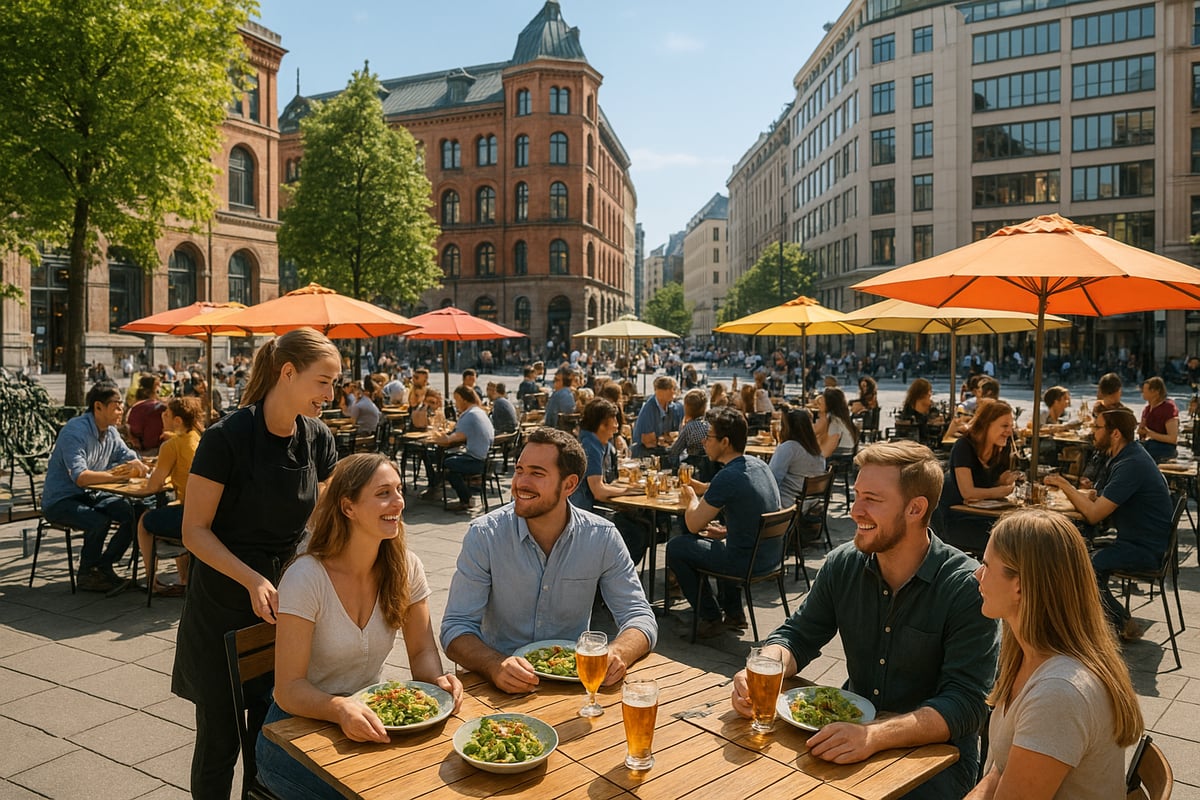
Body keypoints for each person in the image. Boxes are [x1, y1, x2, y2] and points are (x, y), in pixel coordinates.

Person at [730, 440, 998, 799]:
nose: (855, 511)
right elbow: (798, 635)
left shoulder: (965, 586)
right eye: (856, 495)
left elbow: (967, 704)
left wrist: (875, 735)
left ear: (915, 508)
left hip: (935, 762)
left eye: (872, 499)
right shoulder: (844, 564)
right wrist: (764, 669)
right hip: (850, 736)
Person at [174, 328, 341, 799]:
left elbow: (326, 520)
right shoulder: (226, 437)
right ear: (287, 373)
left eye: (334, 384)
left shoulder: (318, 438)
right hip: (224, 604)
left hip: (285, 606)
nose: (331, 395)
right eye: (323, 382)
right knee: (219, 740)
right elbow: (194, 532)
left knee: (268, 736)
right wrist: (252, 580)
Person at [255, 454, 464, 799]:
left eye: (399, 490)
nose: (398, 501)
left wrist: (436, 680)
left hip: (370, 719)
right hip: (293, 735)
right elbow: (288, 689)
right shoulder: (306, 577)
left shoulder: (406, 566)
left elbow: (422, 649)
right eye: (383, 493)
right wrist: (338, 708)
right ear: (348, 507)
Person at [440, 427, 657, 693]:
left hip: (574, 685)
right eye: (519, 470)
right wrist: (495, 665)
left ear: (569, 485)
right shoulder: (485, 535)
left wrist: (618, 652)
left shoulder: (601, 537)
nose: (520, 483)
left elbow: (639, 616)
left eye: (537, 473)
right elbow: (455, 628)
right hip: (498, 686)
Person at [967, 510, 1143, 799]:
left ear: (1020, 585)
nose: (977, 573)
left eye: (986, 564)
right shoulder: (1031, 657)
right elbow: (1000, 768)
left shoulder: (1058, 694)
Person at [1044, 408, 1172, 640]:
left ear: (1115, 434)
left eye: (1097, 427)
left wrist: (1064, 485)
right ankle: (1092, 622)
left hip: (1145, 548)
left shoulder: (1130, 464)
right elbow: (1099, 499)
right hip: (1136, 540)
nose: (1093, 432)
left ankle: (1121, 622)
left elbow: (1094, 515)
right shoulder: (1127, 456)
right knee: (1079, 552)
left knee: (1083, 566)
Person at [665, 407, 782, 638]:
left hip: (746, 562)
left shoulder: (728, 476)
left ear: (725, 441)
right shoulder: (757, 465)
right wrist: (729, 530)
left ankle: (709, 616)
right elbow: (752, 507)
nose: (704, 443)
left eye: (709, 438)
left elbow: (693, 524)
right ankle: (734, 613)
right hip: (770, 555)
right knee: (717, 542)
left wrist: (691, 498)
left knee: (677, 546)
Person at [41, 382, 148, 593]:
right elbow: (81, 478)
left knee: (136, 513)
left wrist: (136, 463)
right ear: (98, 407)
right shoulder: (75, 431)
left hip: (92, 494)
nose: (121, 410)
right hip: (62, 499)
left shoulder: (111, 432)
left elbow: (127, 456)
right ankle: (87, 573)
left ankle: (104, 565)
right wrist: (115, 474)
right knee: (99, 521)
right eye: (116, 405)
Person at [136, 397, 204, 597]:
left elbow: (153, 486)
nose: (162, 416)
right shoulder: (196, 437)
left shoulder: (171, 446)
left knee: (144, 521)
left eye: (166, 414)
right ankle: (184, 578)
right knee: (173, 506)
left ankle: (151, 581)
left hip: (190, 515)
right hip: (205, 511)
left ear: (177, 421)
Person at [569, 398, 649, 565]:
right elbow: (598, 491)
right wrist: (629, 492)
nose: (617, 425)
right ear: (602, 424)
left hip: (594, 507)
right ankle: (613, 573)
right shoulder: (590, 445)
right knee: (638, 532)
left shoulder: (598, 442)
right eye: (614, 420)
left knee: (644, 523)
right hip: (585, 512)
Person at [938, 400, 1021, 556]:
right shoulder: (964, 446)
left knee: (1019, 532)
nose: (1009, 432)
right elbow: (968, 492)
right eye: (1004, 426)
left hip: (982, 514)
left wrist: (1002, 481)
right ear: (986, 424)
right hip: (955, 519)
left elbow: (990, 483)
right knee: (1011, 540)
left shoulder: (1002, 447)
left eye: (1011, 426)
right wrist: (1000, 491)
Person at [423, 385, 494, 511]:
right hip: (485, 458)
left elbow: (451, 439)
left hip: (476, 460)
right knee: (449, 460)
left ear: (463, 400)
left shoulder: (469, 415)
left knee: (447, 463)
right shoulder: (479, 411)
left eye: (456, 400)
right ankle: (463, 496)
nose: (456, 404)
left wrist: (436, 437)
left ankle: (463, 499)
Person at [769, 408, 826, 508]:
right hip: (812, 502)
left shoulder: (789, 448)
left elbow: (772, 479)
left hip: (790, 504)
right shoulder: (815, 449)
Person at [631, 376, 683, 458]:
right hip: (645, 454)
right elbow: (648, 442)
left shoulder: (671, 406)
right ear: (663, 391)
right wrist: (665, 438)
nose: (674, 392)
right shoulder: (648, 409)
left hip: (662, 451)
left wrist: (664, 438)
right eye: (673, 389)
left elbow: (674, 434)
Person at [1137, 376, 1178, 462]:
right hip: (1149, 444)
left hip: (1165, 447)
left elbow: (1172, 439)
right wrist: (1141, 431)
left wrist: (1149, 433)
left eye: (1146, 390)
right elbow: (1143, 435)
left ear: (1156, 392)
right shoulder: (1147, 410)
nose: (1143, 392)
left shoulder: (1168, 408)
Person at [667, 389, 709, 468]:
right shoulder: (708, 424)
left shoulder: (689, 427)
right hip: (709, 463)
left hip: (695, 464)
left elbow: (675, 450)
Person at [126, 374, 166, 455]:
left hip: (137, 448)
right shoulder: (156, 408)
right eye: (158, 384)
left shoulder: (134, 406)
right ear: (155, 389)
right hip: (153, 450)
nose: (161, 386)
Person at [814, 387, 857, 458]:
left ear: (829, 403)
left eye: (821, 402)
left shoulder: (835, 423)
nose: (818, 407)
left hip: (838, 463)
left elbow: (825, 453)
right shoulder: (841, 419)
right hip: (841, 459)